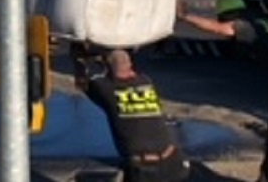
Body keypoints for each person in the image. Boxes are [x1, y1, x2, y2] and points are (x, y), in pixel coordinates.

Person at [178, 0, 268, 182]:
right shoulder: (266, 24)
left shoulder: (247, 26)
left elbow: (223, 30)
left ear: (229, 16)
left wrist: (185, 16)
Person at [74, 45, 190, 182]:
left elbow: (82, 82)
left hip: (143, 168)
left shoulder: (106, 89)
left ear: (107, 68)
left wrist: (79, 60)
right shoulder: (146, 82)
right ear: (130, 65)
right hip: (172, 161)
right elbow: (127, 71)